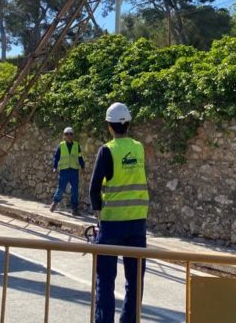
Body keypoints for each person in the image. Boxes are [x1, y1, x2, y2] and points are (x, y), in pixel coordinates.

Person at [89, 102, 149, 323]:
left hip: (113, 222)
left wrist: (98, 213)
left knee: (105, 278)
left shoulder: (107, 150)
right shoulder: (139, 148)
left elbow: (94, 188)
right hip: (137, 224)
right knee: (135, 280)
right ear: (129, 124)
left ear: (109, 126)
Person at [51, 126, 85, 216]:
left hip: (74, 171)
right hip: (64, 171)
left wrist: (83, 167)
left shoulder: (76, 145)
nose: (69, 135)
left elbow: (80, 157)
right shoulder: (61, 146)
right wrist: (54, 167)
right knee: (61, 188)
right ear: (64, 136)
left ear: (73, 135)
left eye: (70, 134)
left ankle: (74, 209)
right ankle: (54, 203)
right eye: (66, 134)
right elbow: (56, 157)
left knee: (75, 190)